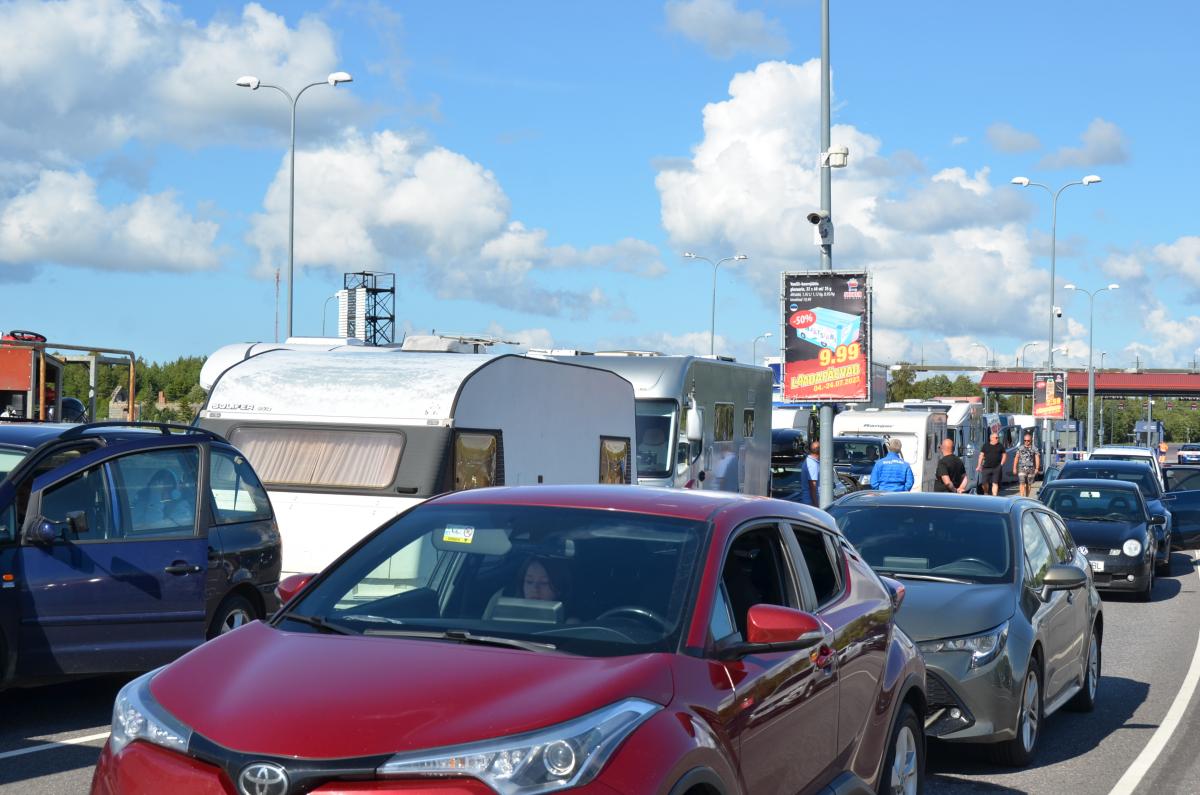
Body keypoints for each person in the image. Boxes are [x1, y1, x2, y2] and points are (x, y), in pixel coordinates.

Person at [977, 431, 1007, 496]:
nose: (997, 439)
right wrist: (979, 465)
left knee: (995, 483)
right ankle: (986, 493)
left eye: (998, 438)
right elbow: (981, 456)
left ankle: (994, 496)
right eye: (996, 438)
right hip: (986, 467)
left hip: (997, 467)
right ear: (991, 438)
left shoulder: (1000, 446)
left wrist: (1001, 464)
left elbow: (1004, 455)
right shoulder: (985, 446)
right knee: (984, 483)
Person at [1013, 433, 1041, 498]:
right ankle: (1022, 497)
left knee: (1028, 484)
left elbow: (1037, 458)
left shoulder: (1034, 448)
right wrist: (1014, 468)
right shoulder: (1020, 448)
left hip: (1031, 469)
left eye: (1028, 441)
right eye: (1025, 440)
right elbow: (1016, 457)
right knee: (1022, 482)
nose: (1026, 442)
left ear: (1031, 440)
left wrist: (1037, 468)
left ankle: (1027, 497)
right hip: (1021, 468)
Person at [799, 440, 820, 506]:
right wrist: (816, 506)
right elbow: (813, 487)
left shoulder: (810, 461)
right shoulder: (812, 464)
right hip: (811, 503)